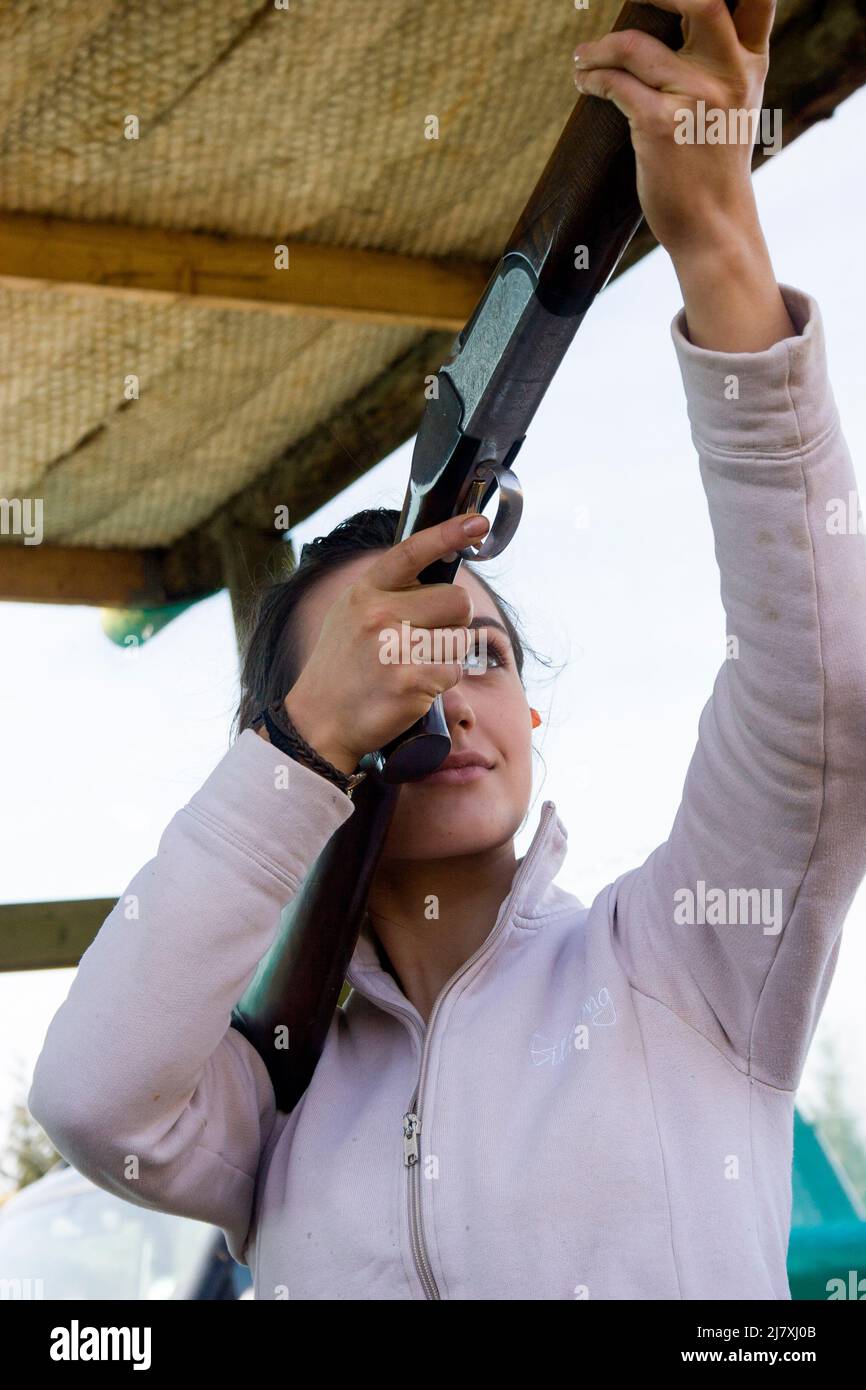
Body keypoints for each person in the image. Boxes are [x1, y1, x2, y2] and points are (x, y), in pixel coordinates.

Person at [28, 0, 866, 1299]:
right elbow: (88, 1101)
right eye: (386, 664)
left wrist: (710, 234)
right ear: (297, 752)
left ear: (534, 719)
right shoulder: (269, 1095)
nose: (446, 685)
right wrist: (299, 751)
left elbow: (825, 691)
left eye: (480, 654)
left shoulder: (689, 960)